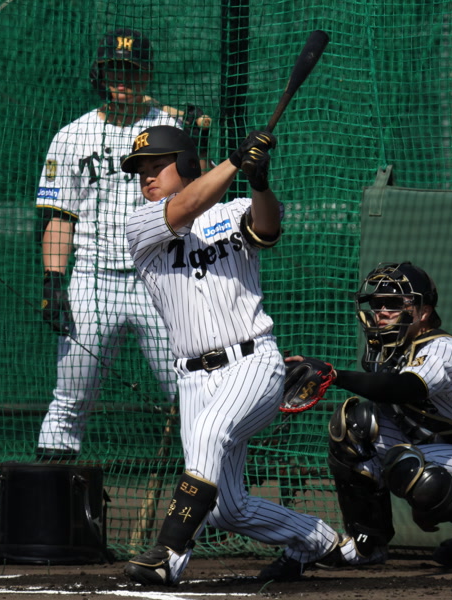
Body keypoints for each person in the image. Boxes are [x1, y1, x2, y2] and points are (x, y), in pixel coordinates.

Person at [122, 126, 341, 585]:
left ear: (187, 164)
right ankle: (322, 541)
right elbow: (185, 207)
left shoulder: (234, 210)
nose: (147, 176)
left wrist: (259, 183)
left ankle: (169, 553)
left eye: (157, 165)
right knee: (227, 509)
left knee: (210, 432)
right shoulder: (140, 224)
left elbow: (267, 227)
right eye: (141, 171)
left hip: (251, 362)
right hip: (192, 379)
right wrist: (237, 162)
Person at [287, 262, 452, 571]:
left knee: (407, 464)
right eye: (377, 303)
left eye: (394, 304)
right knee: (355, 423)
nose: (382, 312)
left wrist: (336, 375)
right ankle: (368, 544)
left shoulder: (441, 348)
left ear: (423, 312)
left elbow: (407, 387)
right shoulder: (391, 352)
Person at [35, 28, 188, 459]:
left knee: (191, 392)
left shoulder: (170, 128)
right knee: (70, 398)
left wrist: (198, 148)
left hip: (159, 276)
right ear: (99, 75)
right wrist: (53, 279)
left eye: (132, 70)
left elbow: (196, 199)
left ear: (147, 75)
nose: (122, 79)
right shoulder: (72, 136)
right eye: (114, 69)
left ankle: (218, 491)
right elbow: (59, 216)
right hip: (93, 278)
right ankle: (51, 496)